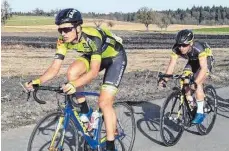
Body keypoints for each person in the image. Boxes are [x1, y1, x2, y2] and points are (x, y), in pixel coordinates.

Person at [25, 8, 127, 151]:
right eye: (60, 30)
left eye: (67, 29)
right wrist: (38, 81)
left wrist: (74, 85)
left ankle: (110, 145)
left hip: (115, 58)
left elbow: (93, 72)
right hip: (93, 56)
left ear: (78, 27)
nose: (63, 34)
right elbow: (55, 68)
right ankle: (85, 112)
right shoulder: (62, 41)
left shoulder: (93, 37)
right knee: (72, 72)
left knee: (104, 103)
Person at [158, 29, 214, 124]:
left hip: (205, 61)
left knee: (198, 83)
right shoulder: (176, 49)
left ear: (191, 43)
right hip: (192, 61)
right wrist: (165, 79)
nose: (181, 48)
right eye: (179, 44)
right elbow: (171, 65)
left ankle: (200, 112)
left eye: (184, 45)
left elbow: (204, 68)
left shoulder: (198, 48)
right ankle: (192, 103)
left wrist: (196, 83)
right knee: (185, 80)